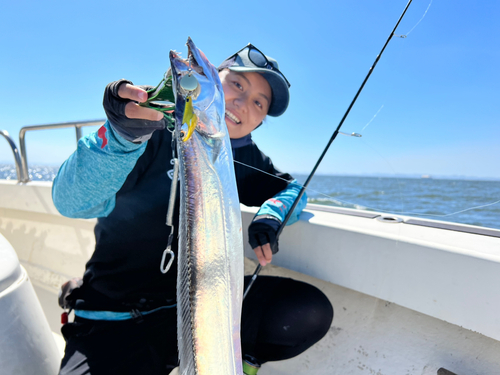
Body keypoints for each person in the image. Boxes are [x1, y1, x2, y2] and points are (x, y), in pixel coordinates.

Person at [53, 43, 333, 375]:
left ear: (259, 121)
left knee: (304, 310)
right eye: (237, 84)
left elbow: (293, 190)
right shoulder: (148, 132)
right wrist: (121, 137)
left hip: (204, 307)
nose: (243, 103)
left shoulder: (244, 159)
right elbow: (72, 202)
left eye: (259, 102)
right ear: (214, 81)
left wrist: (272, 214)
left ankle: (237, 363)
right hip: (113, 319)